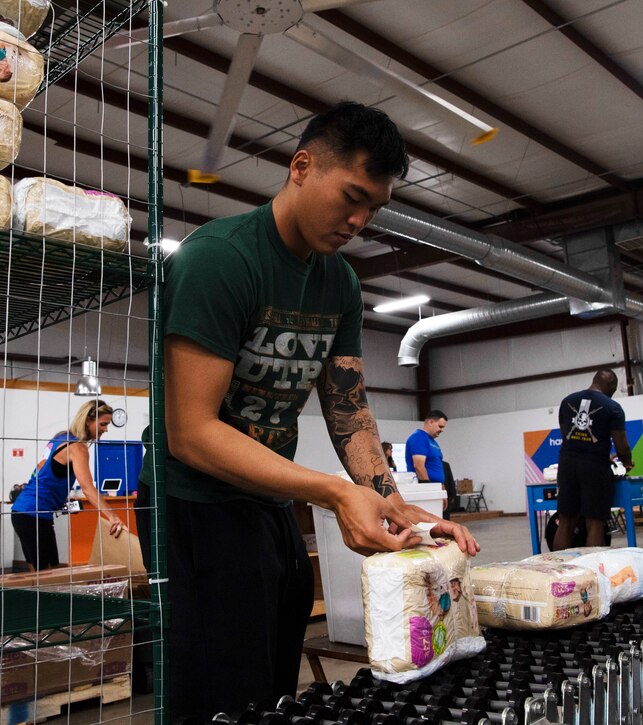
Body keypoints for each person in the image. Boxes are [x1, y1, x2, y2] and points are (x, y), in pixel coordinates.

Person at [148, 101, 479, 723]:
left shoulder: (340, 284)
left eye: (373, 209)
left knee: (276, 676)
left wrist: (392, 500)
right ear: (301, 167)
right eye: (351, 197)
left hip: (265, 496)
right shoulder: (219, 260)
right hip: (191, 502)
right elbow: (189, 433)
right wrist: (333, 493)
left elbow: (348, 410)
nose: (358, 220)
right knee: (223, 691)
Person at [10, 399, 126, 570]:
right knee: (45, 575)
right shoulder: (77, 448)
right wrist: (113, 516)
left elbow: (44, 469)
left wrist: (58, 498)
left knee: (46, 571)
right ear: (88, 420)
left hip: (28, 512)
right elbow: (87, 488)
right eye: (103, 424)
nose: (105, 429)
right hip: (31, 514)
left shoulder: (61, 437)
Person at [552, 370, 633, 550]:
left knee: (565, 521)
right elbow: (622, 447)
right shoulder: (613, 407)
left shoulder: (567, 401)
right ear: (611, 384)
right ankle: (592, 573)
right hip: (595, 467)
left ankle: (557, 571)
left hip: (567, 465)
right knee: (595, 523)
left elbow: (566, 436)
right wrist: (626, 462)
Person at [405, 410, 448, 483]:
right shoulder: (419, 437)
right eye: (440, 426)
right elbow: (419, 466)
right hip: (426, 487)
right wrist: (428, 486)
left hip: (436, 486)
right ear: (431, 422)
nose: (442, 430)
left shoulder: (433, 442)